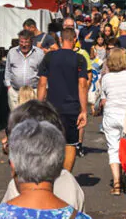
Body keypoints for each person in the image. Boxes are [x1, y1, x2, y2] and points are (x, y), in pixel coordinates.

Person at [36, 27, 88, 172]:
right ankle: (66, 175)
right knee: (70, 143)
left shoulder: (49, 57)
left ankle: (52, 173)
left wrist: (39, 105)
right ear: (75, 41)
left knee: (51, 142)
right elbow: (82, 84)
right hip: (71, 107)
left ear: (60, 40)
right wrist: (84, 110)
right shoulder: (79, 59)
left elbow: (42, 83)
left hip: (52, 107)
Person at [97, 47, 126, 196]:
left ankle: (116, 183)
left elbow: (103, 100)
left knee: (113, 149)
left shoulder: (106, 78)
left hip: (110, 115)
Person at [4, 30, 43, 111]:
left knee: (32, 117)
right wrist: (9, 87)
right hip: (15, 92)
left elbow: (44, 73)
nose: (23, 45)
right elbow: (7, 70)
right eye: (21, 42)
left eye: (26, 42)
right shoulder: (12, 52)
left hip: (33, 92)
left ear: (31, 42)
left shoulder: (39, 53)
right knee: (16, 118)